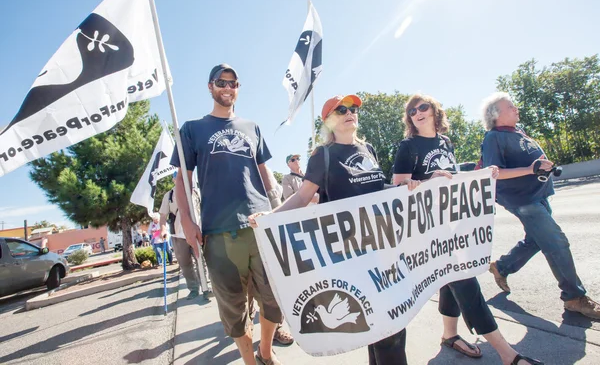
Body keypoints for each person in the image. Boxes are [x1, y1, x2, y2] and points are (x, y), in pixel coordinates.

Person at [250, 94, 408, 365]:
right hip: (352, 254)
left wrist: (411, 188)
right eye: (342, 109)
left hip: (382, 245)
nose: (351, 113)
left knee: (390, 323)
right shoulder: (322, 155)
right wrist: (271, 217)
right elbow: (302, 197)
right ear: (329, 120)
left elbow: (378, 189)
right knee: (387, 325)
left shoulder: (368, 149)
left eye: (354, 108)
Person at [392, 93, 543, 365]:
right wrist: (426, 180)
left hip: (451, 223)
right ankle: (508, 355)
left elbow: (451, 175)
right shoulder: (408, 146)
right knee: (466, 283)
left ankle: (449, 335)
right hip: (428, 231)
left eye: (422, 107)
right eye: (412, 111)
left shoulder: (444, 142)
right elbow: (399, 185)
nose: (417, 113)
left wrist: (482, 173)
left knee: (452, 280)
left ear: (435, 111)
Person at [171, 64, 288, 365]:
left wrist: (277, 211)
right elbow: (182, 182)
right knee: (234, 309)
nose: (228, 88)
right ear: (210, 87)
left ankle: (265, 352)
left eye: (233, 83)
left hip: (260, 226)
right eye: (221, 82)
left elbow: (265, 176)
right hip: (219, 232)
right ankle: (250, 361)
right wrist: (187, 221)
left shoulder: (252, 127)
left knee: (275, 299)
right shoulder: (192, 129)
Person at [481, 92, 600, 320]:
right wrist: (531, 169)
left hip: (539, 195)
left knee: (536, 239)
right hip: (523, 200)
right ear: (496, 115)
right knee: (556, 242)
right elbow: (493, 173)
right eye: (510, 107)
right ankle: (574, 297)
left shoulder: (517, 132)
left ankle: (502, 267)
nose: (516, 109)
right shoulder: (494, 137)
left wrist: (544, 167)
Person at [159, 172, 203, 300]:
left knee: (201, 261)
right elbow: (163, 216)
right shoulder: (169, 196)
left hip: (196, 232)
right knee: (185, 263)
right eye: (177, 178)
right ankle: (193, 289)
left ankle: (206, 286)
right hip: (178, 235)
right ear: (174, 180)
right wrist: (163, 230)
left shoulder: (196, 192)